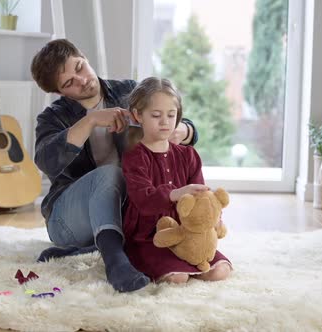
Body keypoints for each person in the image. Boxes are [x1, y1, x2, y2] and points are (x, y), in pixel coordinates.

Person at [30, 39, 198, 293]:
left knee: (156, 195)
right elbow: (46, 161)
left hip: (125, 212)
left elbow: (174, 117)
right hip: (68, 220)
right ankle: (115, 262)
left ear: (84, 56)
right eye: (68, 83)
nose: (82, 80)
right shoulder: (53, 117)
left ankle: (95, 247)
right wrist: (90, 121)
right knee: (111, 175)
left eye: (80, 67)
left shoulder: (128, 92)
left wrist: (182, 131)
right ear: (59, 92)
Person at [121, 77, 232, 284]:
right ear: (138, 115)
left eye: (171, 115)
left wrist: (214, 218)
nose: (165, 122)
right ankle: (170, 266)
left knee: (220, 271)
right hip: (147, 237)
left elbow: (204, 198)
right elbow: (143, 200)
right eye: (156, 115)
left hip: (189, 233)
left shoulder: (188, 155)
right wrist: (177, 193)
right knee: (178, 277)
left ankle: (189, 262)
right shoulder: (134, 157)